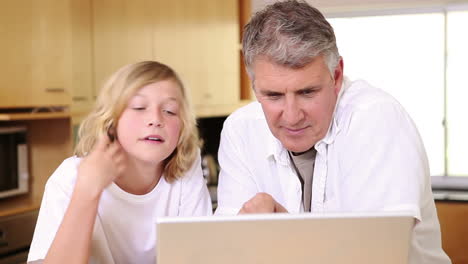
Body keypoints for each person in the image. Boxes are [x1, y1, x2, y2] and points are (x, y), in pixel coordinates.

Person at [215, 1, 451, 263]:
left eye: (307, 92)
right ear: (254, 85)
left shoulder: (378, 120)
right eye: (273, 95)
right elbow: (231, 252)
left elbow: (379, 254)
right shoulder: (240, 131)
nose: (292, 116)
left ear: (336, 75)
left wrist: (282, 235)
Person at [28, 61, 212, 264]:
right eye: (139, 107)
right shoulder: (70, 176)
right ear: (111, 121)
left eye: (169, 111)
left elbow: (200, 255)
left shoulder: (186, 167)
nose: (155, 119)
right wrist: (87, 190)